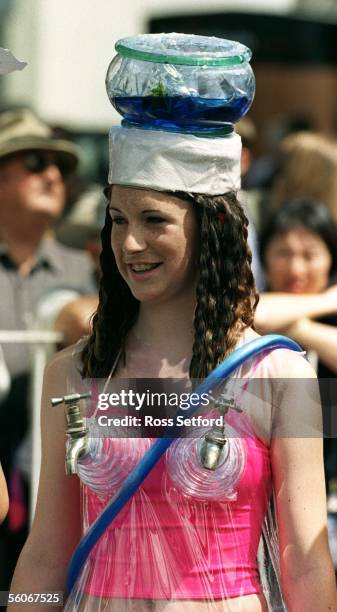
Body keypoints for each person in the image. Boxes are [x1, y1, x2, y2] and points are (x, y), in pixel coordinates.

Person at [10, 40, 337, 612]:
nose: (128, 244)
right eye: (117, 219)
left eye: (154, 220)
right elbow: (45, 553)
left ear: (209, 227)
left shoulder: (279, 373)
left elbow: (304, 559)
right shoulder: (73, 372)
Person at [0, 108, 97, 588]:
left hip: (66, 487)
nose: (54, 175)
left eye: (61, 166)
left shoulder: (89, 269)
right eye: (36, 161)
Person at [255, 199, 337, 510]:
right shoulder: (245, 308)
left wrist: (298, 326)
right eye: (283, 253)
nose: (296, 268)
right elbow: (256, 312)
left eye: (309, 255)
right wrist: (326, 301)